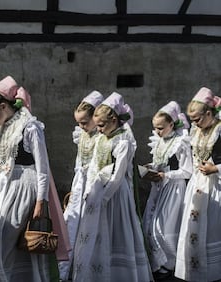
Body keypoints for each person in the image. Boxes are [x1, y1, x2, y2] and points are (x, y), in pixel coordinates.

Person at [0, 76, 54, 281]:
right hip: (4, 188)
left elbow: (42, 167)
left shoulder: (29, 127)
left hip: (24, 187)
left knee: (10, 241)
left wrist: (41, 201)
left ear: (3, 106)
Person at [72, 92, 152, 281]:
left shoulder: (122, 141)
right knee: (97, 230)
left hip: (115, 194)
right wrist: (91, 189)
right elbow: (93, 165)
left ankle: (119, 273)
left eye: (101, 125)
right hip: (98, 190)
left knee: (117, 229)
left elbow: (118, 174)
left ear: (114, 120)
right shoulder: (102, 137)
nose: (98, 130)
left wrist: (105, 197)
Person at [142, 101, 192, 280]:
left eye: (161, 128)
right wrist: (150, 168)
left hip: (173, 190)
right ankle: (157, 263)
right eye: (155, 128)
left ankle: (168, 264)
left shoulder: (181, 142)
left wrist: (166, 176)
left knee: (162, 228)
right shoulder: (159, 141)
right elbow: (160, 161)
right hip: (158, 188)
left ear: (172, 124)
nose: (157, 132)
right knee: (149, 222)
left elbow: (187, 171)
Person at [175, 87, 221, 281]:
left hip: (216, 186)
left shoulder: (220, 130)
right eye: (192, 119)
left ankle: (213, 273)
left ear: (209, 113)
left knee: (211, 229)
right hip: (198, 185)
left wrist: (216, 168)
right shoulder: (197, 131)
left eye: (197, 119)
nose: (193, 124)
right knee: (192, 226)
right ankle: (193, 271)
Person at [58, 90, 104, 281]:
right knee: (71, 220)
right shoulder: (82, 135)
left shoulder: (101, 137)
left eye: (84, 122)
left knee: (89, 223)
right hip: (79, 183)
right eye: (78, 122)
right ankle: (65, 266)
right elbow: (79, 161)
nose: (81, 126)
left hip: (93, 184)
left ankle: (85, 266)